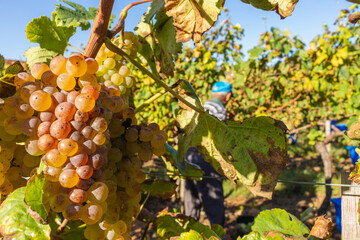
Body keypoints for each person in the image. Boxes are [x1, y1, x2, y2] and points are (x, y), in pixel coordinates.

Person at [184, 81, 233, 226]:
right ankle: (217, 232)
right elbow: (219, 139)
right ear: (228, 96)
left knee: (191, 198)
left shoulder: (202, 106)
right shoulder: (219, 109)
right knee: (213, 200)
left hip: (189, 156)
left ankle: (187, 232)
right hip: (206, 157)